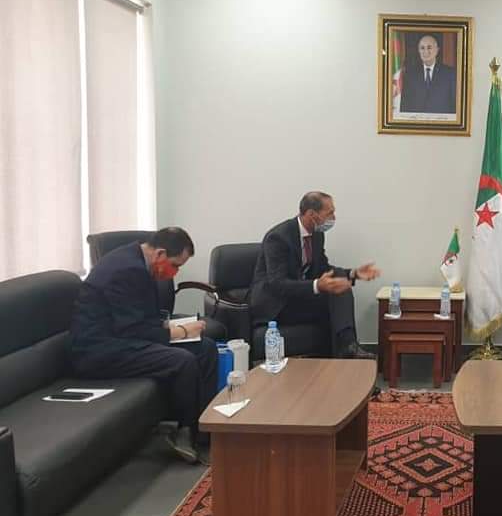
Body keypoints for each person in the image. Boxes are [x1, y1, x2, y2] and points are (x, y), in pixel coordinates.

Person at [71, 227, 216, 464]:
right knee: (182, 360)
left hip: (124, 337)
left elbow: (142, 318)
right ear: (160, 254)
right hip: (100, 349)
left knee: (206, 348)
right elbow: (134, 330)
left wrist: (173, 326)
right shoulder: (127, 270)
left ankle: (205, 431)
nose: (175, 272)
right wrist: (180, 332)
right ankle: (183, 431)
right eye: (175, 265)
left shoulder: (139, 262)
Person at [249, 191, 380, 359]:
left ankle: (347, 348)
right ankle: (347, 349)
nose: (334, 217)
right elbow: (277, 283)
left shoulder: (317, 235)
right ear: (312, 214)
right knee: (333, 296)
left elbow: (323, 269)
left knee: (339, 285)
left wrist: (353, 274)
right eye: (330, 213)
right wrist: (317, 285)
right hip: (276, 304)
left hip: (296, 298)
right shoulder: (278, 237)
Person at [399, 34, 457, 115]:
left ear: (437, 50)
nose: (426, 51)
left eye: (429, 47)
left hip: (442, 121)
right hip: (417, 121)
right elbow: (405, 105)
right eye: (422, 48)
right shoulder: (410, 75)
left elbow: (455, 105)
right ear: (419, 51)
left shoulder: (450, 74)